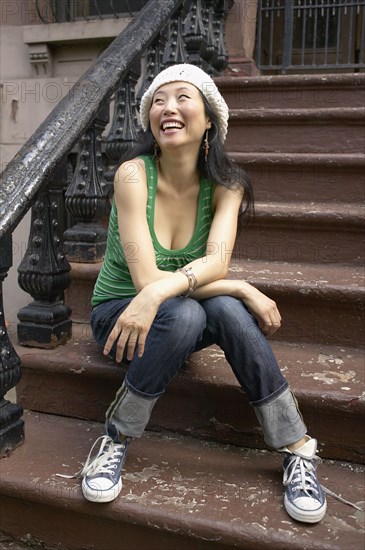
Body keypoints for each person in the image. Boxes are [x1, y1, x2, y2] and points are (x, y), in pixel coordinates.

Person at [77, 64, 327, 523]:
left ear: (209, 118)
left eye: (182, 97)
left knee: (219, 312)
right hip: (122, 318)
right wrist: (236, 284)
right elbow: (145, 284)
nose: (168, 108)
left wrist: (223, 284)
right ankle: (116, 435)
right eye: (157, 100)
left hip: (170, 314)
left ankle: (297, 447)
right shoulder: (133, 175)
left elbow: (215, 260)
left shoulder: (227, 184)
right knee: (201, 310)